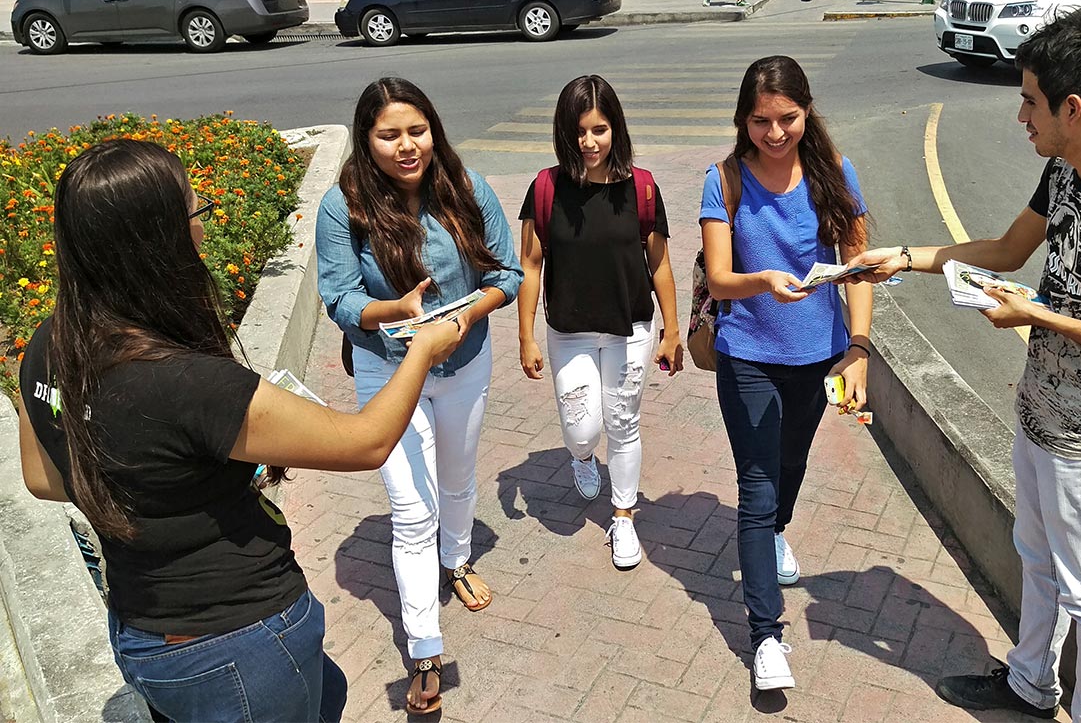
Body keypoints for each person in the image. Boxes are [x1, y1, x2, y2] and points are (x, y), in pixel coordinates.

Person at [18, 138, 463, 722]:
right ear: (159, 240)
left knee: (326, 693)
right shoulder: (187, 382)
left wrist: (166, 475)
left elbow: (42, 478)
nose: (202, 227)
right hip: (236, 639)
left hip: (143, 633)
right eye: (195, 213)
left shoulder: (51, 344)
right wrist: (423, 351)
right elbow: (366, 442)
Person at [844, 6, 1081, 722]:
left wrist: (1037, 316)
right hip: (1039, 415)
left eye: (1029, 100)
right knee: (1036, 558)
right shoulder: (1064, 171)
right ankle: (1031, 684)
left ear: (1074, 106)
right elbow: (1004, 253)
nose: (1020, 116)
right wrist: (903, 257)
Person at [315, 77, 522, 715]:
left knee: (458, 477)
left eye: (417, 131)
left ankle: (456, 562)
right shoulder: (341, 205)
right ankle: (425, 647)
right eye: (389, 135)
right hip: (389, 369)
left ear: (433, 129)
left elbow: (507, 274)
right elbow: (339, 297)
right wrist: (390, 310)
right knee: (411, 511)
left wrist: (463, 319)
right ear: (366, 139)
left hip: (463, 359)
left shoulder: (467, 187)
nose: (407, 147)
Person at [699, 56, 873, 691]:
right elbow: (719, 279)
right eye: (761, 121)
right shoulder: (724, 180)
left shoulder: (835, 172)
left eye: (787, 120)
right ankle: (766, 636)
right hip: (747, 353)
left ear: (806, 112)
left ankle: (775, 535)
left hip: (818, 355)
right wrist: (761, 281)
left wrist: (858, 349)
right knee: (757, 487)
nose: (774, 134)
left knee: (791, 467)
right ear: (744, 120)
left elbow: (856, 263)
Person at [516, 75, 684, 570]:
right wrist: (525, 335)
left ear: (617, 129)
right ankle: (583, 457)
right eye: (579, 132)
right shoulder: (547, 188)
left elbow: (661, 266)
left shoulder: (643, 188)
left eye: (600, 129)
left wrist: (672, 331)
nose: (589, 143)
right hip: (569, 330)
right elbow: (530, 265)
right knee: (582, 428)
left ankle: (624, 516)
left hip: (630, 326)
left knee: (623, 422)